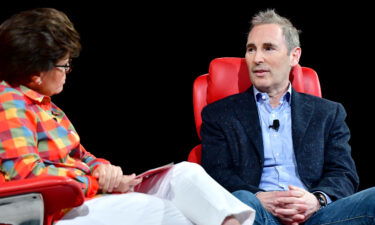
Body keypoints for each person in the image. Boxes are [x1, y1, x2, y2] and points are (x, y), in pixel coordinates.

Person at [0, 8, 255, 225]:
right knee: (165, 212)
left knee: (184, 175)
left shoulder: (47, 106)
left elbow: (82, 156)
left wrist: (103, 168)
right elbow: (28, 176)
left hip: (90, 198)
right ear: (36, 73)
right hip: (60, 214)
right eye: (64, 65)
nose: (68, 71)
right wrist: (97, 182)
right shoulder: (9, 102)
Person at [200, 9, 375, 225]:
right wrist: (259, 198)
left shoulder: (328, 113)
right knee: (242, 201)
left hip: (317, 216)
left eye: (268, 48)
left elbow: (343, 172)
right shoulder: (219, 115)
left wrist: (316, 200)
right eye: (251, 49)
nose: (257, 58)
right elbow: (217, 174)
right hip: (259, 212)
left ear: (294, 55)